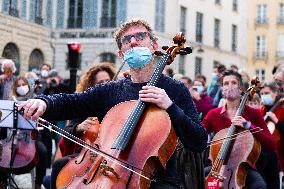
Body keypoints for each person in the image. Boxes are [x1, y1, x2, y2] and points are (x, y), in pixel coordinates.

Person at [19, 19, 208, 189]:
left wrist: (170, 107)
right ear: (121, 54)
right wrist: (43, 102)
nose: (133, 41)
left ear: (154, 45)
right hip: (108, 171)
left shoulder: (174, 89)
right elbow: (72, 102)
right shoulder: (110, 90)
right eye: (126, 40)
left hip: (160, 180)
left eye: (140, 36)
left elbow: (199, 141)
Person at [203, 70, 279, 189]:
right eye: (226, 83)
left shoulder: (253, 113)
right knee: (195, 179)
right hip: (217, 167)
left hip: (244, 168)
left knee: (260, 186)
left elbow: (271, 144)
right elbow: (198, 135)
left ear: (240, 89)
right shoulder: (213, 114)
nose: (230, 86)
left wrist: (249, 126)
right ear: (222, 89)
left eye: (234, 83)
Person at [0, 76, 48, 189]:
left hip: (29, 138)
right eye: (19, 85)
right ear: (15, 88)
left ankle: (37, 184)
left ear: (28, 85)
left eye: (23, 84)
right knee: (1, 154)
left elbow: (41, 122)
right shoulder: (10, 101)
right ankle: (2, 182)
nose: (21, 87)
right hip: (10, 136)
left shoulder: (36, 100)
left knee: (43, 151)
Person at [259, 82, 284, 173]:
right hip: (262, 156)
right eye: (261, 94)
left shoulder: (282, 109)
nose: (264, 96)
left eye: (267, 93)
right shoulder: (260, 110)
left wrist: (276, 120)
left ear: (276, 93)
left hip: (279, 155)